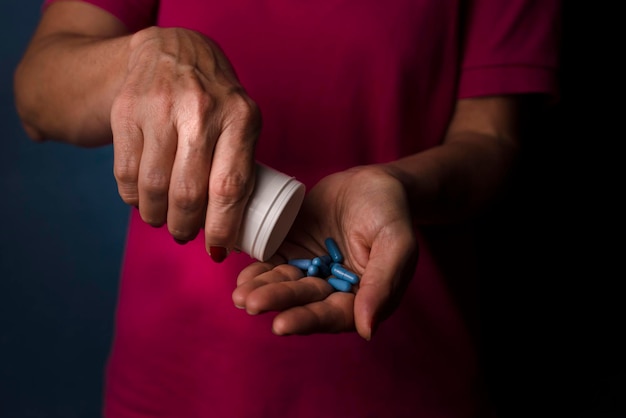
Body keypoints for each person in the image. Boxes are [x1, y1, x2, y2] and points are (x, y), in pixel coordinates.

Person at [14, 0, 561, 417]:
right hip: (178, 383)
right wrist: (143, 56)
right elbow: (36, 96)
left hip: (408, 378)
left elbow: (493, 141)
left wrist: (395, 183)